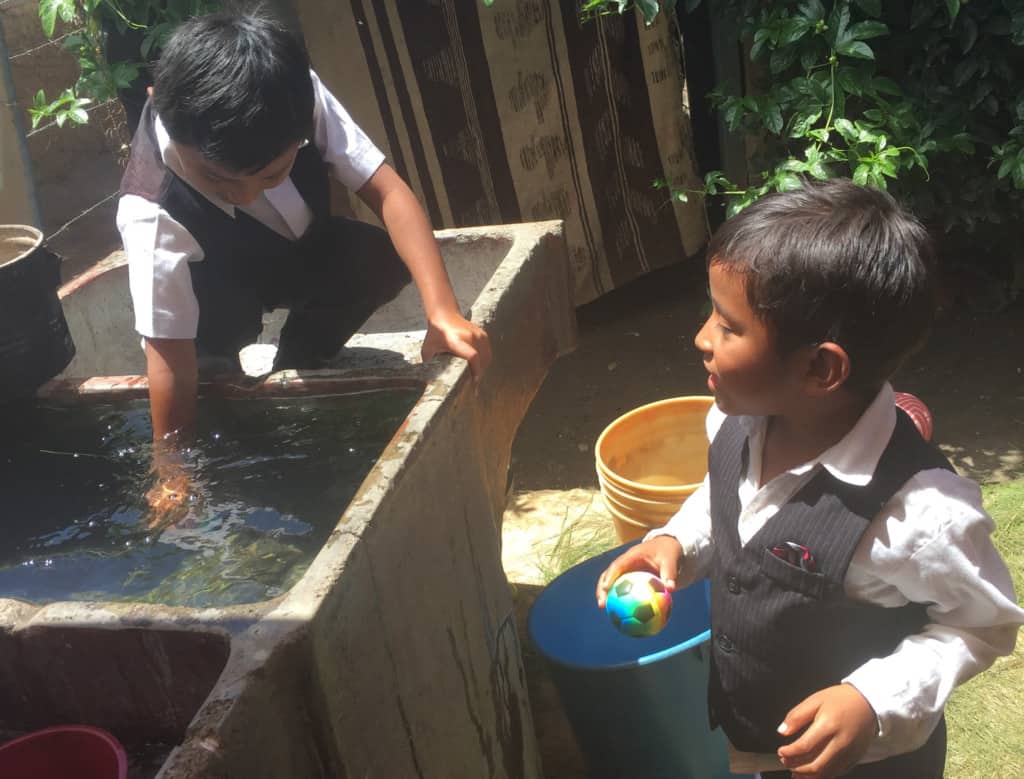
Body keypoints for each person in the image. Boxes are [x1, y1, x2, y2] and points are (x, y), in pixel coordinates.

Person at [594, 180, 1023, 778]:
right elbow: (730, 503)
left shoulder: (920, 514)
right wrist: (677, 544)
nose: (701, 339)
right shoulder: (731, 421)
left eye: (728, 325)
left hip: (866, 763)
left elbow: (982, 623)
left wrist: (874, 700)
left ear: (820, 367)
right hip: (761, 744)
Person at [116, 11, 490, 517]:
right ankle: (236, 393)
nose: (246, 194)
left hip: (297, 253)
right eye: (218, 180)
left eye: (271, 175)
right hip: (214, 294)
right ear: (159, 105)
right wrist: (172, 470)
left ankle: (299, 365)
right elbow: (168, 353)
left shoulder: (290, 96)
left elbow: (385, 188)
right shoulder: (149, 210)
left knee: (372, 259)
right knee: (206, 378)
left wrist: (442, 312)